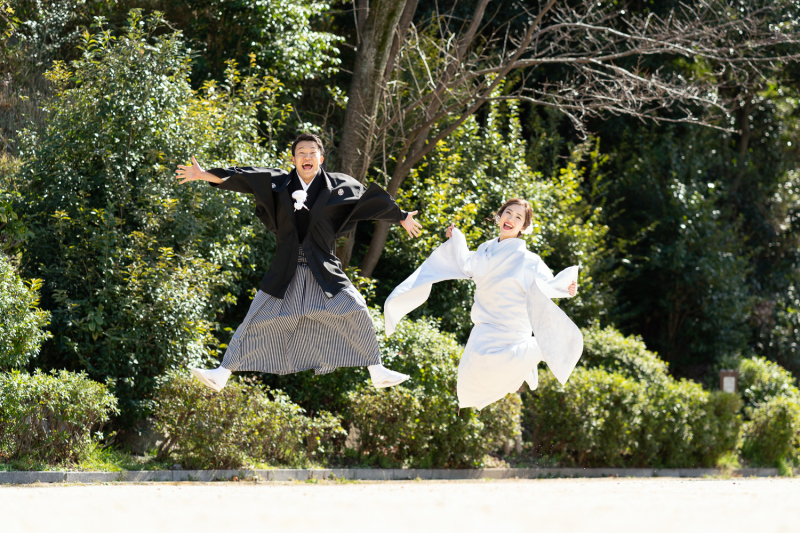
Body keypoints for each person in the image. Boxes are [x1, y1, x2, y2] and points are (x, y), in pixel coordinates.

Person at [175, 133, 423, 391]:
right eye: (301, 152)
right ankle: (222, 374)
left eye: (312, 152)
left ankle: (376, 369)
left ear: (321, 158)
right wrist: (203, 174)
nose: (307, 157)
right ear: (293, 159)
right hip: (286, 267)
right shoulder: (278, 182)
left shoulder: (338, 186)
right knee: (256, 317)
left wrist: (402, 216)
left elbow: (371, 201)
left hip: (323, 267)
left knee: (356, 308)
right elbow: (242, 176)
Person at [383, 198, 582, 409]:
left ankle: (536, 350)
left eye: (518, 217)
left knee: (498, 363)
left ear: (524, 227)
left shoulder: (528, 259)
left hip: (511, 329)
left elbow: (548, 285)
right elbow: (465, 263)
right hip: (485, 325)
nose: (511, 219)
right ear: (499, 216)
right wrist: (455, 241)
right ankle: (523, 365)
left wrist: (566, 287)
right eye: (508, 213)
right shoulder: (486, 249)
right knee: (470, 373)